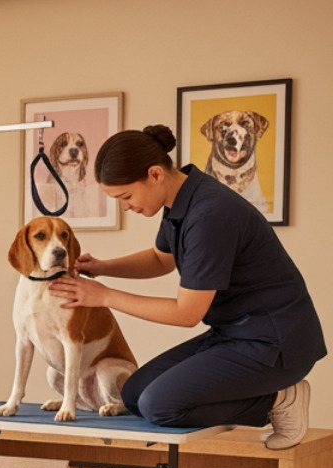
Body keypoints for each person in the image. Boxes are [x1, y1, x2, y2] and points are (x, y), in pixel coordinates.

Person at [49, 125, 324, 450]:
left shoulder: (210, 215)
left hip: (275, 342)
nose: (126, 207)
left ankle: (280, 398)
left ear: (154, 174)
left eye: (126, 197)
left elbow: (186, 313)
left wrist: (104, 296)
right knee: (134, 394)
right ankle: (272, 396)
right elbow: (160, 259)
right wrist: (102, 267)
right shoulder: (182, 201)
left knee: (160, 406)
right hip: (234, 333)